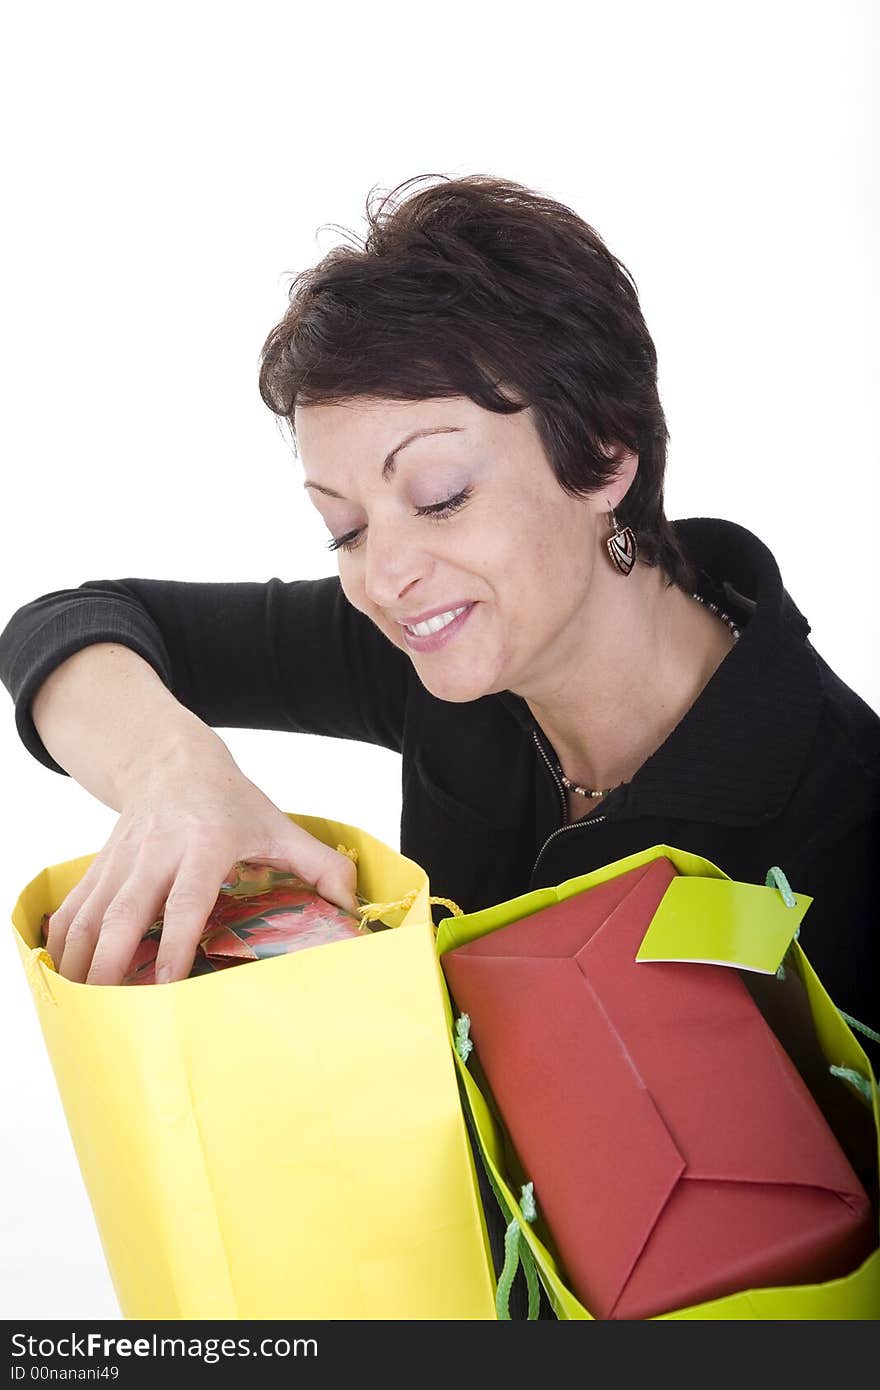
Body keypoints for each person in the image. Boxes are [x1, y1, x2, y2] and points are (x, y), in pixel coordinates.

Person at [1, 173, 878, 1313]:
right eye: (344, 529)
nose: (384, 575)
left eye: (441, 492)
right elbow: (68, 628)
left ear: (606, 452)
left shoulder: (842, 809)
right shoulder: (447, 655)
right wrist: (179, 779)